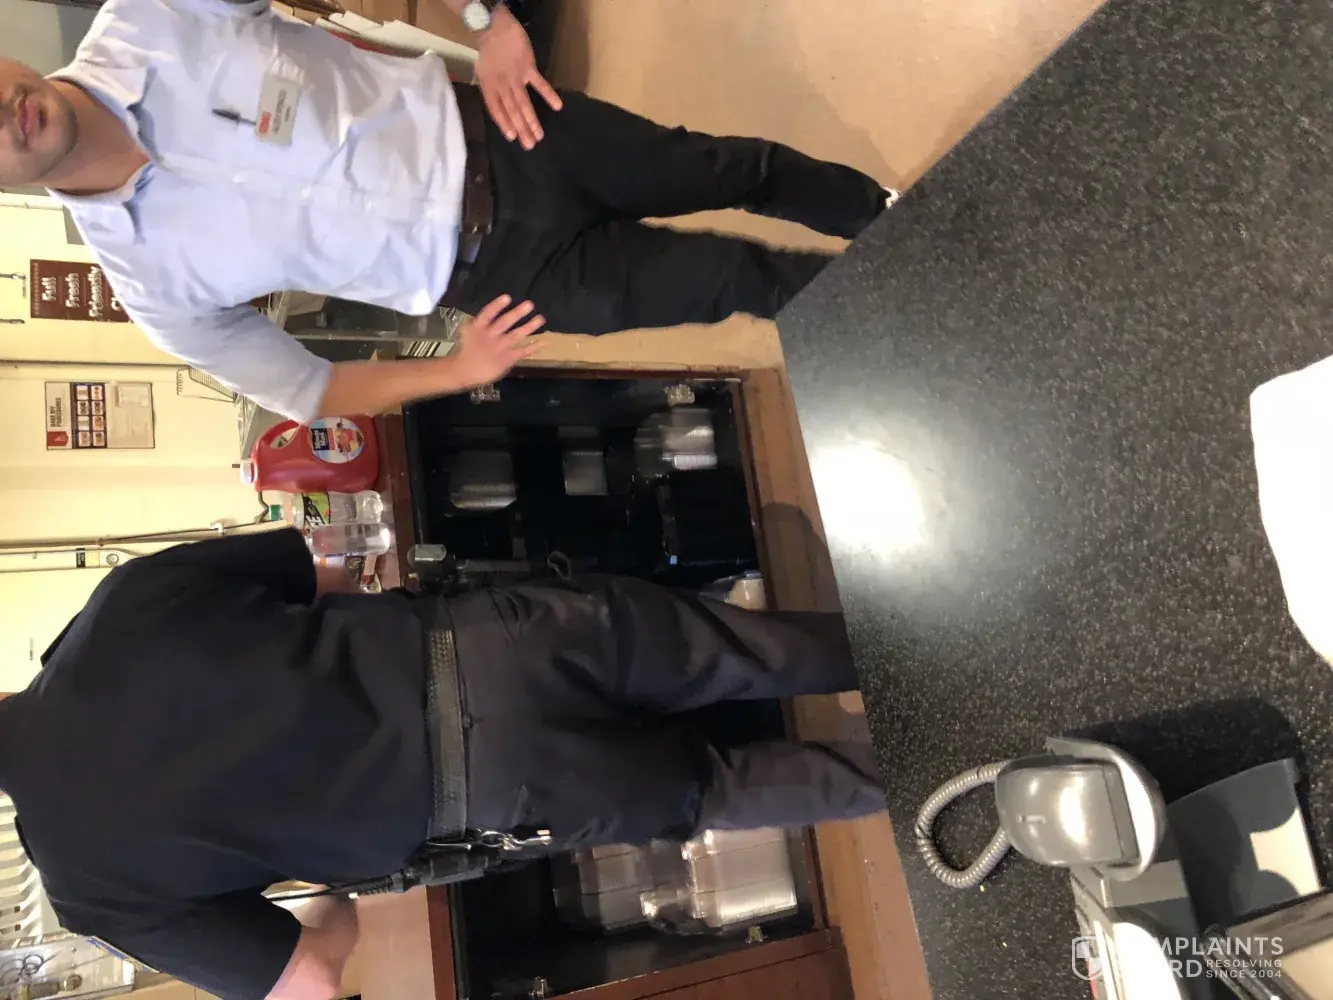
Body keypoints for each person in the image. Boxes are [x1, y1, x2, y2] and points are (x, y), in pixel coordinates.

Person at [0, 529, 884, 1000]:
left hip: (497, 794)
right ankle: (935, 656)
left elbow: (306, 980)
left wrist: (334, 910)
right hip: (490, 646)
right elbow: (322, 568)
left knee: (722, 789)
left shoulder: (88, 884)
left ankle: (945, 768)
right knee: (739, 650)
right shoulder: (115, 611)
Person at [0, 0, 892, 425]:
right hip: (507, 280)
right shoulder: (149, 283)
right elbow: (311, 390)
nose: (5, 113)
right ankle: (915, 307)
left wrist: (484, 19)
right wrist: (458, 371)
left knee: (735, 168)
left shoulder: (152, 16)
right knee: (737, 280)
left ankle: (895, 221)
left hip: (514, 132)